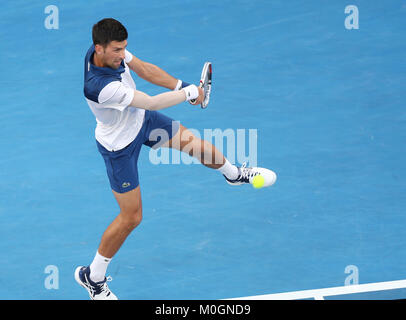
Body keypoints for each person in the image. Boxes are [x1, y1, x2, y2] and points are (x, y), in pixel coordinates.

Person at [74, 18, 277, 300]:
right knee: (132, 217)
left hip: (142, 122)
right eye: (118, 50)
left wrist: (179, 84)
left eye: (124, 49)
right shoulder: (98, 86)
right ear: (99, 48)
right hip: (118, 146)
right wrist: (188, 93)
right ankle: (92, 277)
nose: (123, 54)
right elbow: (151, 102)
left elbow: (143, 68)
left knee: (196, 145)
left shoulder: (107, 52)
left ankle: (233, 174)